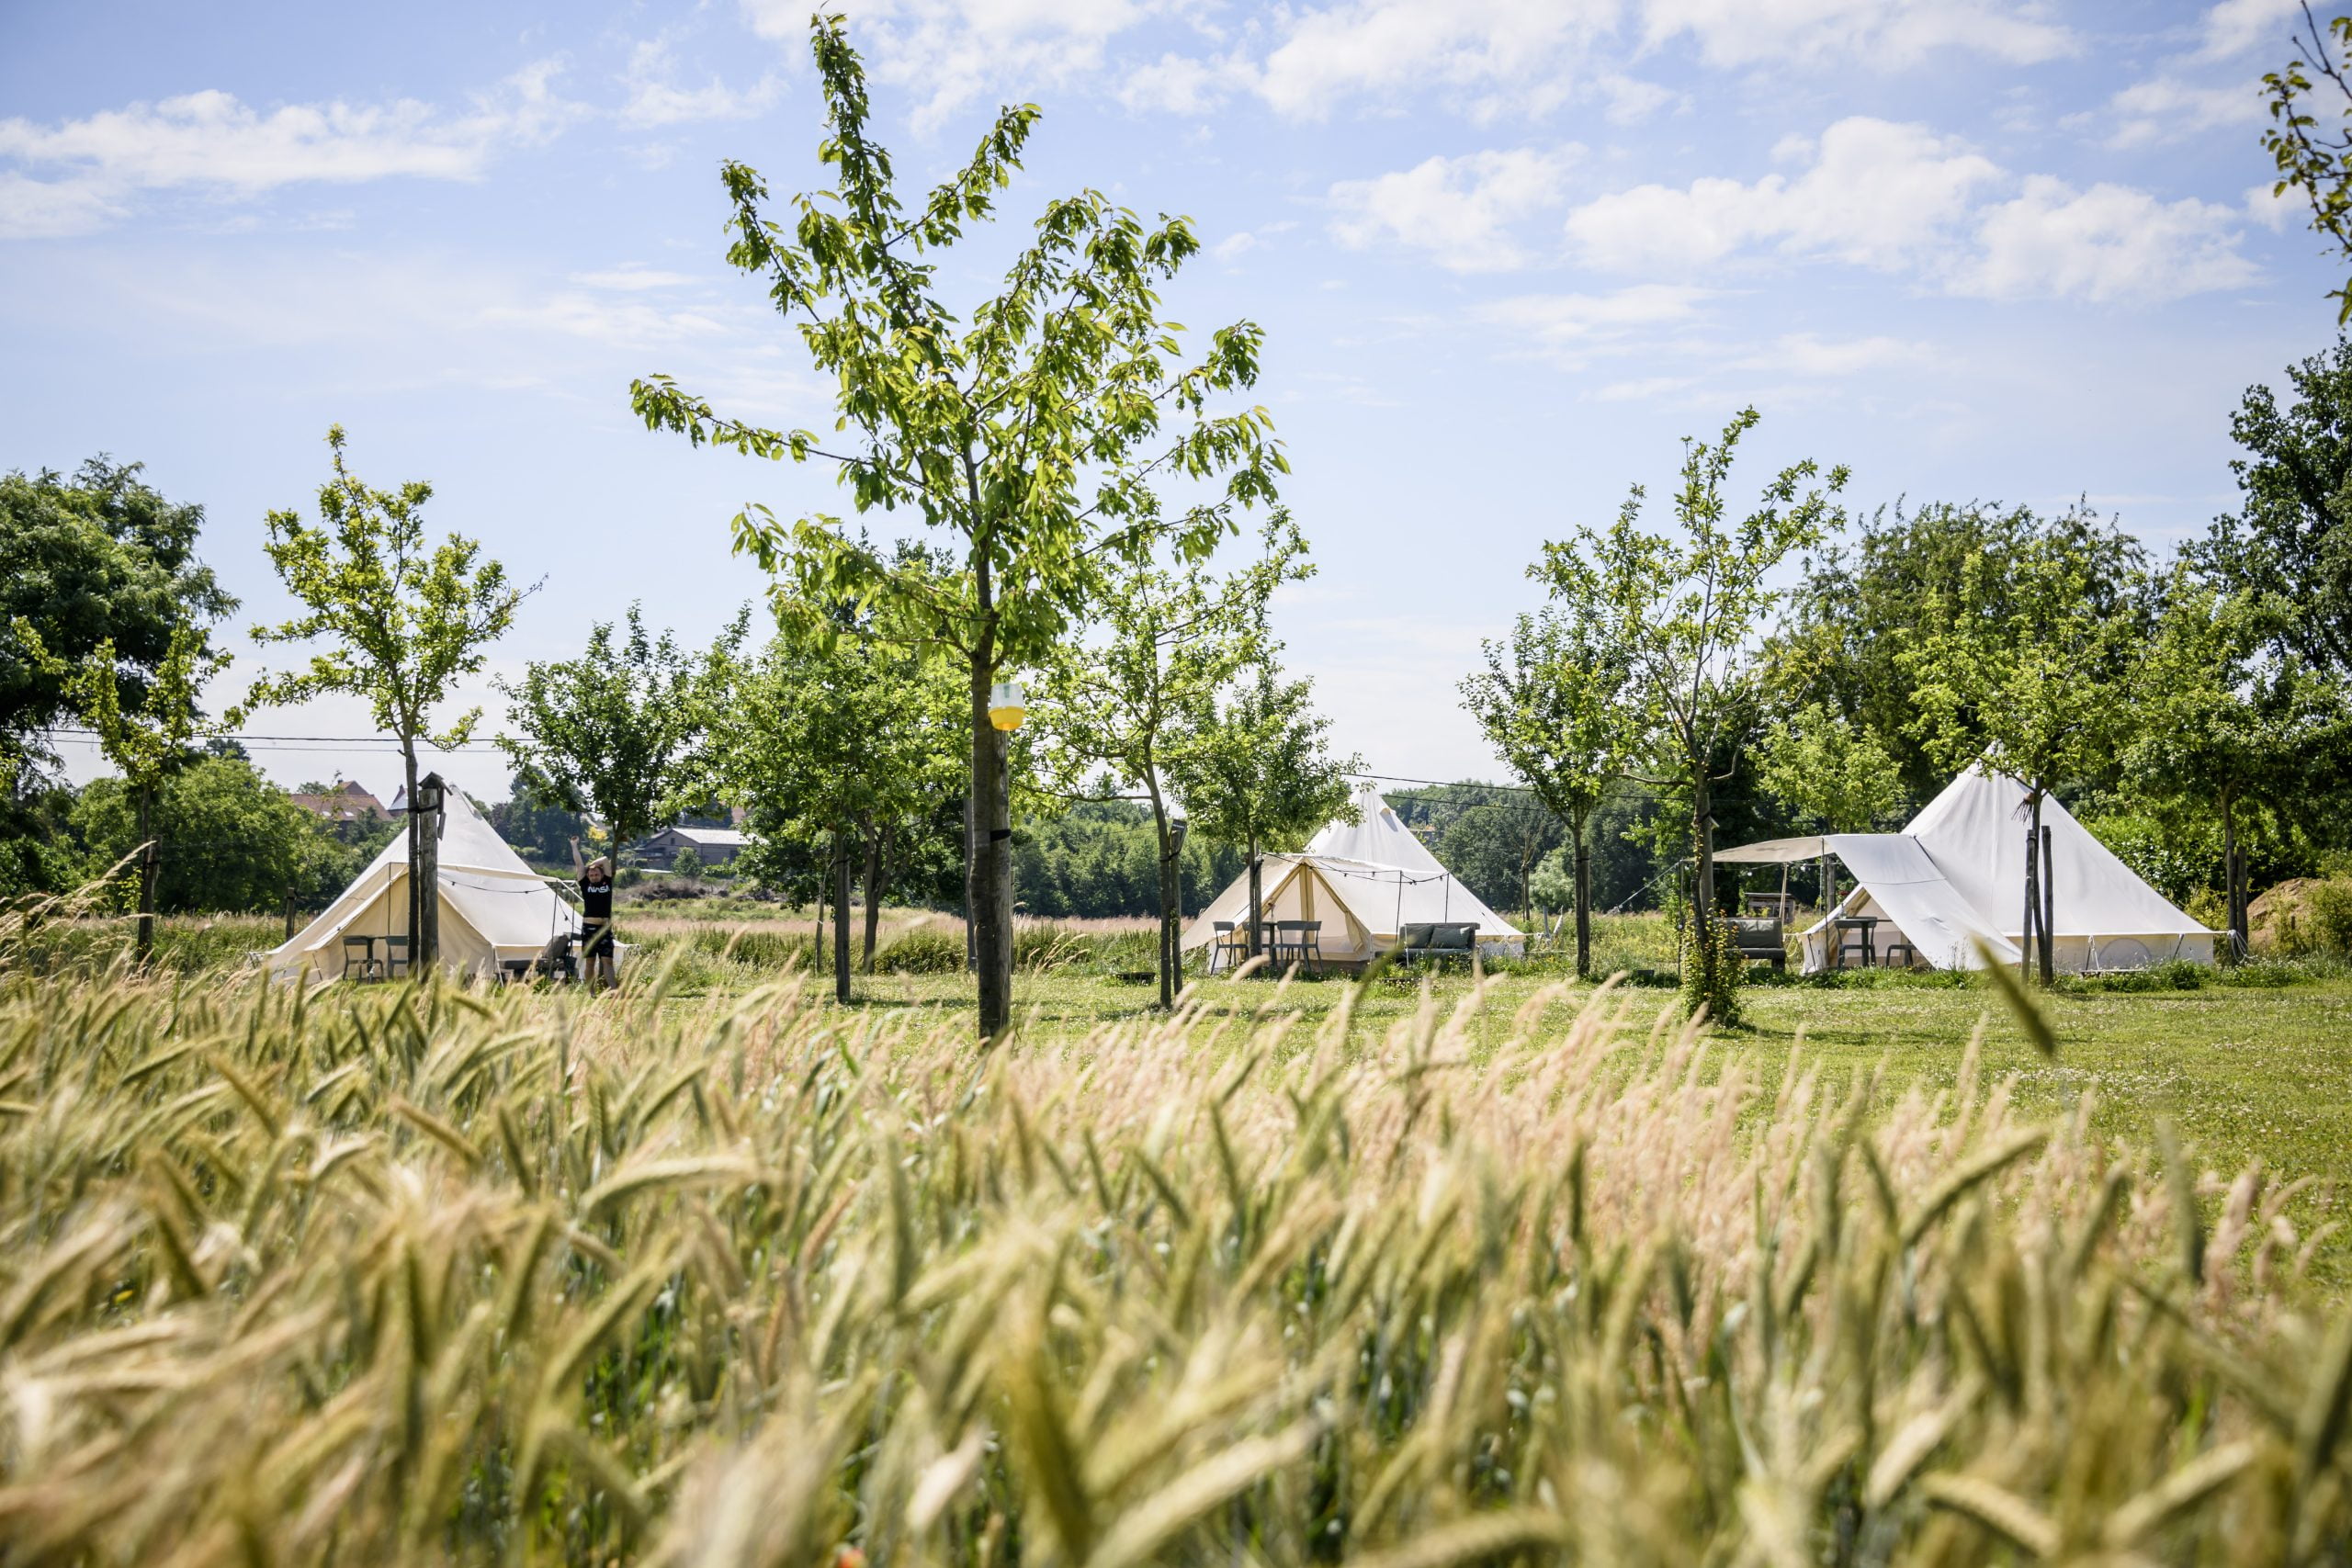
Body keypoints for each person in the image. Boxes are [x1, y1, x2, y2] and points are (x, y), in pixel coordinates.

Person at [570, 839, 617, 990]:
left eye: (596, 874)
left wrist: (591, 865)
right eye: (591, 875)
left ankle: (614, 991)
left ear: (601, 874)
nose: (594, 876)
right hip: (589, 928)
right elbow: (578, 865)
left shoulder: (607, 882)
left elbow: (604, 860)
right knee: (590, 962)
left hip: (605, 929)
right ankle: (591, 992)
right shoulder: (585, 884)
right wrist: (574, 845)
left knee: (607, 961)